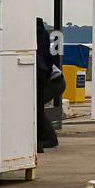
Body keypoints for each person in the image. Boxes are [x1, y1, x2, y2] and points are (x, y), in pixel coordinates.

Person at [35, 18, 65, 151]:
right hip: (53, 78)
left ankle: (47, 139)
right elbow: (49, 57)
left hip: (54, 81)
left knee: (36, 108)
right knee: (37, 108)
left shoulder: (34, 35)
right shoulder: (44, 35)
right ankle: (46, 139)